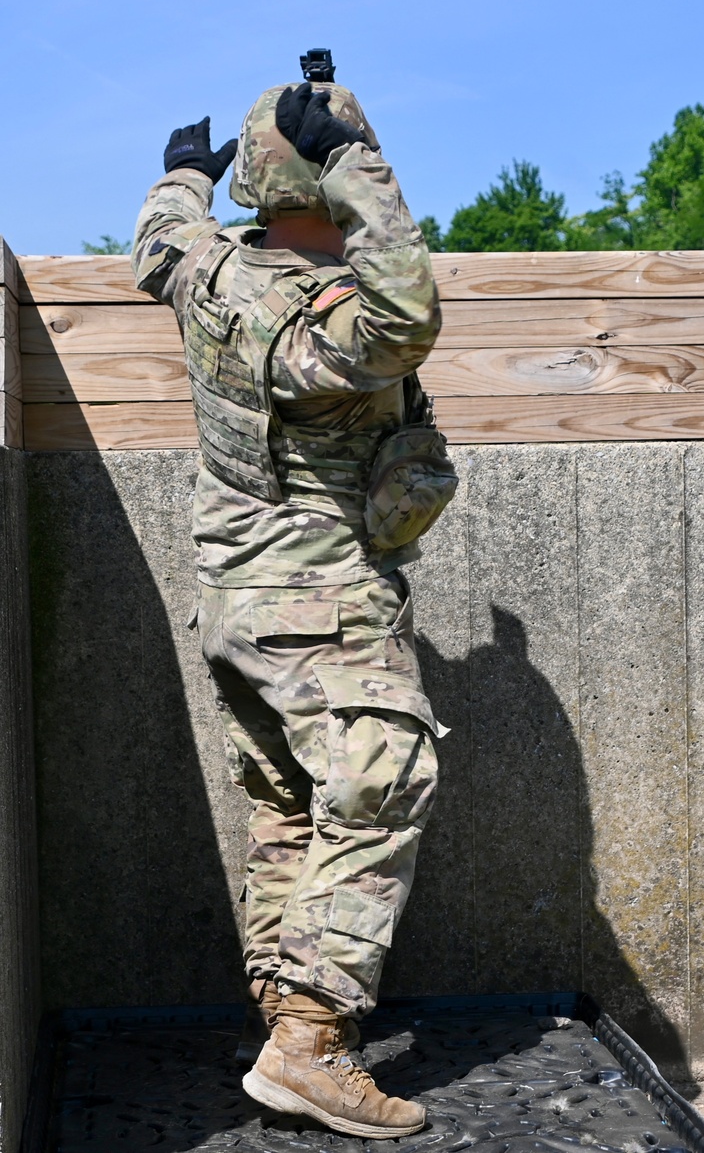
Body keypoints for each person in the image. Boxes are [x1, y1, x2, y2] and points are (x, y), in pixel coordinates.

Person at [131, 72, 456, 1138]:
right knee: (385, 772)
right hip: (317, 591)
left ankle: (286, 1022)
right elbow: (407, 316)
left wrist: (184, 172)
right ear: (324, 169)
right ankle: (313, 1039)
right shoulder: (319, 307)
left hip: (234, 596)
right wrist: (361, 167)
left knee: (288, 808)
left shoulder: (210, 269)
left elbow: (160, 240)